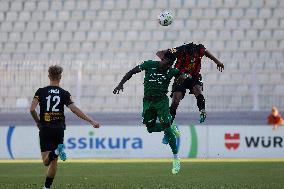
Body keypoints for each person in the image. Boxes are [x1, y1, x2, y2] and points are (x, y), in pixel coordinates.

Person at [113, 51, 189, 174]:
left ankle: (176, 158)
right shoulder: (149, 64)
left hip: (161, 102)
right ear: (162, 59)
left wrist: (184, 77)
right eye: (167, 63)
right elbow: (132, 72)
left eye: (170, 64)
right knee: (150, 128)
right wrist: (120, 84)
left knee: (167, 128)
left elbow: (185, 75)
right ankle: (170, 125)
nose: (167, 66)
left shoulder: (171, 71)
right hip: (148, 102)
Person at [30, 65, 100, 189]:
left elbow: (32, 109)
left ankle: (55, 154)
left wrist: (37, 122)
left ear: (49, 76)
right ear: (60, 77)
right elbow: (74, 109)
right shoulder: (64, 93)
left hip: (45, 128)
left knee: (46, 161)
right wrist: (91, 120)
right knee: (54, 161)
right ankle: (47, 187)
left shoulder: (40, 91)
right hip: (59, 128)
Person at [156, 43, 224, 123]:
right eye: (190, 55)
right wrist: (165, 61)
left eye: (193, 55)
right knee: (175, 100)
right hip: (180, 76)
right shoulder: (179, 50)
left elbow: (206, 53)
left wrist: (217, 62)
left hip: (194, 76)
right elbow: (159, 53)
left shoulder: (199, 49)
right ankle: (169, 121)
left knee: (197, 90)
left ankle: (202, 110)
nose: (192, 57)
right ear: (186, 52)